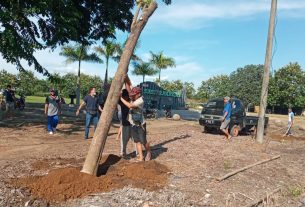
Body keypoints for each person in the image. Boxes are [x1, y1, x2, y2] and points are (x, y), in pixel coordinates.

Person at [120, 76, 151, 162]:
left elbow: (130, 106)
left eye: (134, 95)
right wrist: (126, 78)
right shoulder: (134, 96)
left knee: (143, 141)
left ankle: (148, 151)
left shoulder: (140, 100)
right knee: (137, 141)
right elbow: (129, 87)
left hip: (141, 125)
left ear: (139, 94)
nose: (132, 96)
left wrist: (120, 98)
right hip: (133, 124)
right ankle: (141, 157)